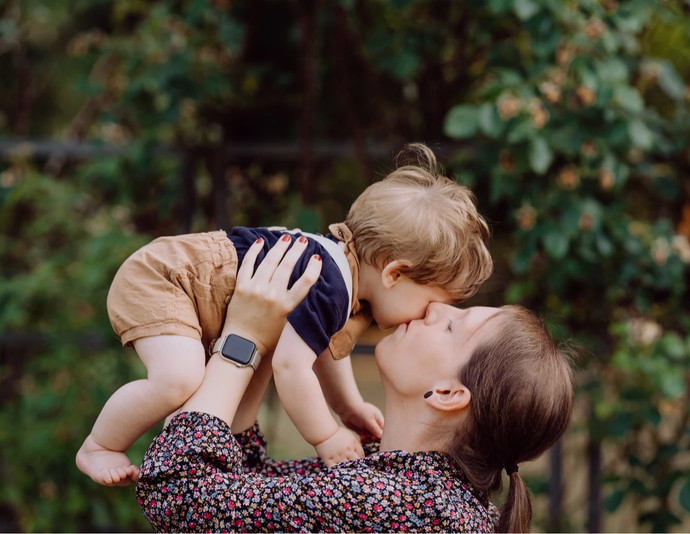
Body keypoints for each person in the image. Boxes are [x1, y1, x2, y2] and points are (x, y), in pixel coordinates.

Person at [76, 142, 494, 485]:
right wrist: (326, 435)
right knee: (178, 380)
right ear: (394, 273)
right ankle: (99, 445)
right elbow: (292, 367)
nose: (427, 315)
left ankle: (185, 453)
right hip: (167, 278)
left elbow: (325, 350)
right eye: (430, 303)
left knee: (207, 394)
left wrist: (348, 407)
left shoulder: (341, 283)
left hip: (175, 277)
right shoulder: (328, 283)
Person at [135, 232, 575, 533]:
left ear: (448, 394)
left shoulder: (406, 505)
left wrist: (241, 340)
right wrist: (275, 333)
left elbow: (180, 498)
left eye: (453, 326)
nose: (435, 309)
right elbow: (249, 489)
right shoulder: (405, 488)